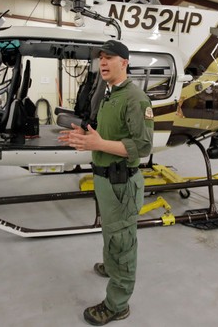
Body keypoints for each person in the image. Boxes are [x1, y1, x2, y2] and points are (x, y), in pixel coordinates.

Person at [59, 40, 154, 325]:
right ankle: (112, 266)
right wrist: (89, 137)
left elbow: (144, 146)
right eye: (100, 58)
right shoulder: (109, 95)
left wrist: (99, 143)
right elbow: (108, 135)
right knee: (111, 233)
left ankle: (117, 304)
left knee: (122, 241)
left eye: (109, 58)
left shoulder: (136, 98)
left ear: (124, 62)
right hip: (105, 181)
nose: (102, 62)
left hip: (121, 183)